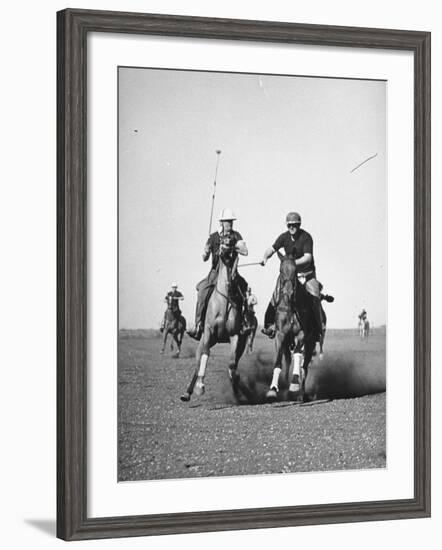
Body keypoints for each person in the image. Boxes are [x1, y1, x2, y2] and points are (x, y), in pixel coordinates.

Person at [260, 211, 325, 340]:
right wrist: (265, 258)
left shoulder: (306, 237)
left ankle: (318, 329)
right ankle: (270, 325)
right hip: (290, 275)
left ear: (299, 224)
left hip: (307, 275)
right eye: (289, 225)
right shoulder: (284, 237)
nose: (292, 227)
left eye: (294, 225)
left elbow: (308, 258)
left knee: (315, 296)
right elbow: (272, 249)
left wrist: (291, 263)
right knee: (276, 295)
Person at [187, 208, 248, 340]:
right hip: (215, 272)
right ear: (221, 222)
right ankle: (198, 324)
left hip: (232, 272)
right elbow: (204, 258)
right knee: (202, 291)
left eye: (231, 221)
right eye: (227, 221)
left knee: (244, 288)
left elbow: (245, 251)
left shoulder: (236, 235)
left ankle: (243, 323)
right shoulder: (213, 237)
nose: (229, 224)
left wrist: (231, 246)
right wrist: (206, 250)